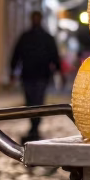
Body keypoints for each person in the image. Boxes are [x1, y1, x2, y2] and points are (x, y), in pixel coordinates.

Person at [10, 10, 60, 142]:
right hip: (28, 74)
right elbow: (17, 54)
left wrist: (58, 69)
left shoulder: (46, 38)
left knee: (37, 101)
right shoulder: (26, 37)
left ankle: (35, 125)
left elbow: (54, 55)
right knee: (30, 101)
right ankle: (33, 124)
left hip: (41, 75)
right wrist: (12, 70)